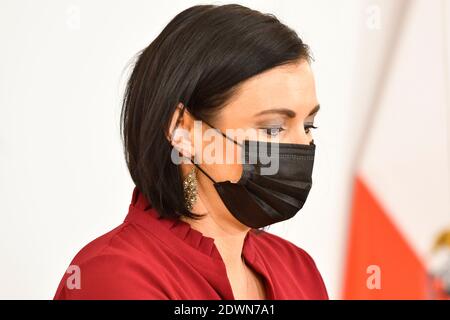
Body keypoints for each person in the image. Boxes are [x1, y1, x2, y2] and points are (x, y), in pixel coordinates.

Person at [54, 3, 328, 300]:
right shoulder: (113, 276)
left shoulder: (298, 269)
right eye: (273, 129)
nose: (301, 146)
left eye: (309, 126)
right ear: (183, 130)